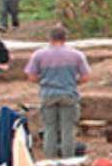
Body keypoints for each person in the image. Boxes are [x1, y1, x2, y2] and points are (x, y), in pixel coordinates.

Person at [24, 26, 91, 158]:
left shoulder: (39, 55)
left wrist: (44, 82)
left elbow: (31, 77)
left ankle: (50, 158)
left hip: (48, 94)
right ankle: (68, 158)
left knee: (49, 129)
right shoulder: (76, 55)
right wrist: (72, 83)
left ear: (50, 38)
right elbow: (85, 77)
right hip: (69, 94)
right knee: (68, 129)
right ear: (65, 38)